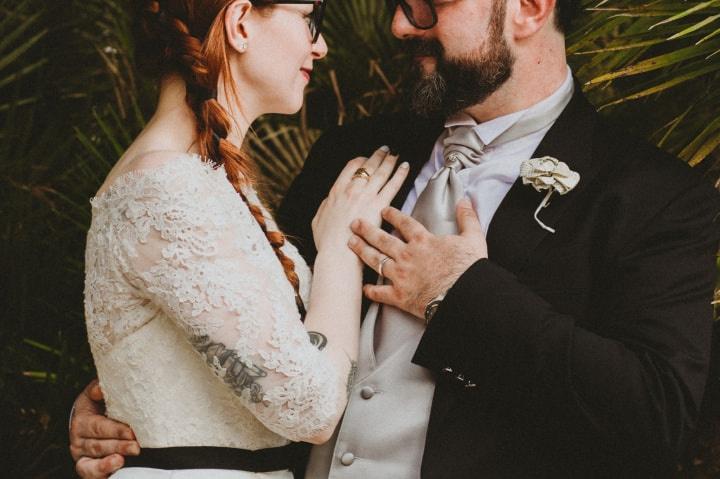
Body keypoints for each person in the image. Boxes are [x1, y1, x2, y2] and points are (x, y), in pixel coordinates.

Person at [71, 0, 720, 477]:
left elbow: (657, 416)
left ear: (528, 8)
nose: (399, 26)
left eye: (426, 5)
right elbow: (229, 310)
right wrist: (121, 406)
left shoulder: (654, 195)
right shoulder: (352, 153)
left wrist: (464, 297)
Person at [74, 0, 410, 477]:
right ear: (240, 23)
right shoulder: (169, 190)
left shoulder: (204, 181)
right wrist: (339, 250)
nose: (321, 46)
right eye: (309, 20)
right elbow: (308, 408)